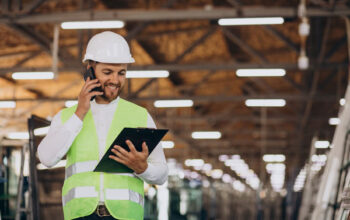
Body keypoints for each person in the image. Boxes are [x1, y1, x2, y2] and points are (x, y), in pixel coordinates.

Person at [37, 31, 168, 220]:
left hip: (125, 216)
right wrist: (79, 114)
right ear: (89, 69)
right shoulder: (67, 117)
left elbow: (162, 174)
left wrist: (143, 168)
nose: (115, 80)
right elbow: (46, 158)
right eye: (107, 72)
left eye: (121, 73)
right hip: (81, 215)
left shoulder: (140, 116)